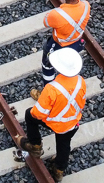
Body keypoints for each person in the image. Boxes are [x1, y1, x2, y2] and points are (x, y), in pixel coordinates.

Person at [20, 46, 86, 181]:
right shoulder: (81, 81)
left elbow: (38, 113)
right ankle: (59, 170)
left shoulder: (52, 88)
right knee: (64, 146)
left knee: (29, 115)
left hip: (56, 124)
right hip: (72, 124)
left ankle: (35, 145)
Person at [34, 0, 89, 92]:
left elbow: (46, 22)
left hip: (58, 45)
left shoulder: (57, 14)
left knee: (47, 67)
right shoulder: (86, 6)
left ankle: (47, 91)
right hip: (76, 44)